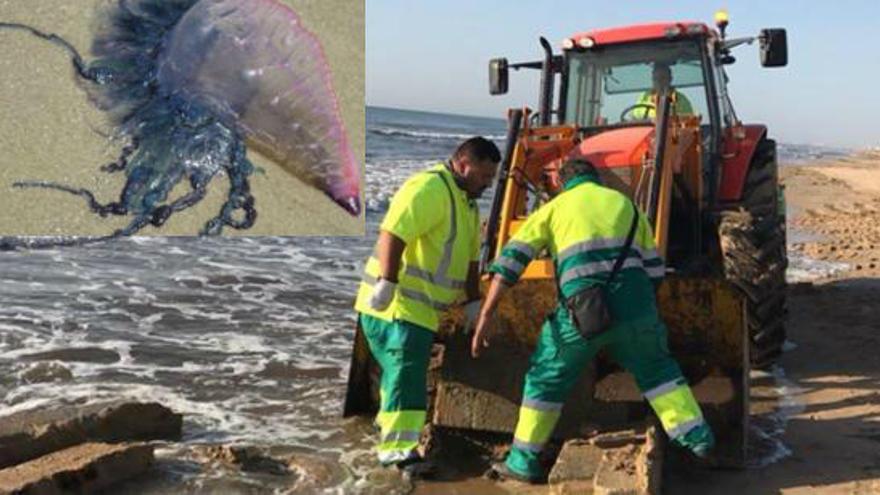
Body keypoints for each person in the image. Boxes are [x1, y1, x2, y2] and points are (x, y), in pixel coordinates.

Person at [471, 158, 714, 483]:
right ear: (597, 180)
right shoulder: (627, 205)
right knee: (660, 373)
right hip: (638, 309)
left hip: (581, 316)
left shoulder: (554, 209)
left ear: (560, 182)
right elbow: (655, 270)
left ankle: (523, 461)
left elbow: (510, 265)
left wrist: (485, 314)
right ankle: (698, 440)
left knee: (545, 379)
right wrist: (634, 310)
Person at [354, 136, 501, 476]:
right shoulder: (428, 189)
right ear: (463, 165)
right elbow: (393, 233)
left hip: (419, 311)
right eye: (483, 176)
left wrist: (473, 300)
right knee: (406, 377)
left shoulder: (466, 203)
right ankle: (397, 452)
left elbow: (468, 260)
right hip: (396, 305)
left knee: (400, 376)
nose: (488, 184)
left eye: (491, 178)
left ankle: (387, 433)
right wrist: (387, 282)